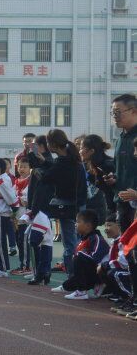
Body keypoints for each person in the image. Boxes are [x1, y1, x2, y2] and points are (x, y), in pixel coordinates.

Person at [38, 129, 86, 276]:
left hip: (67, 207)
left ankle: (72, 279)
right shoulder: (74, 160)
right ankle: (80, 278)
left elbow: (46, 178)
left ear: (53, 144)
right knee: (80, 243)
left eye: (48, 143)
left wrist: (39, 168)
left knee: (70, 245)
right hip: (80, 205)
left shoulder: (61, 163)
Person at [53, 210, 109, 300]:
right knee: (78, 261)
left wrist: (79, 257)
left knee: (79, 257)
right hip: (94, 272)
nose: (75, 224)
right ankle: (65, 287)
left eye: (78, 222)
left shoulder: (96, 238)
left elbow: (95, 260)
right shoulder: (85, 239)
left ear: (88, 226)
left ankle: (83, 290)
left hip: (102, 273)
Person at [108, 94, 137, 229]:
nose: (115, 116)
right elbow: (119, 168)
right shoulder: (120, 138)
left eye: (118, 112)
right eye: (113, 113)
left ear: (134, 111)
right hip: (122, 201)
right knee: (125, 240)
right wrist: (113, 178)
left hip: (134, 200)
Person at [25, 208, 55, 286]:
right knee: (46, 240)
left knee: (37, 242)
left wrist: (33, 210)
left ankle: (41, 274)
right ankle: (45, 272)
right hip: (43, 212)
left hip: (40, 212)